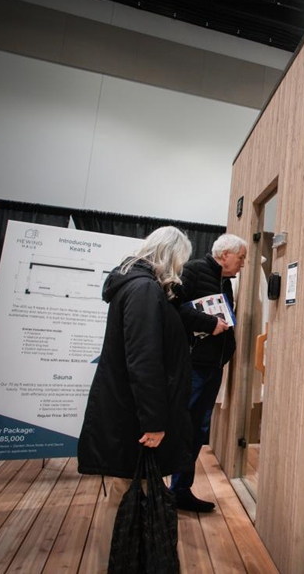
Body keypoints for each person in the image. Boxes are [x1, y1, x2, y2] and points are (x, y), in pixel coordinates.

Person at [77, 226, 194, 572]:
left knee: (126, 496)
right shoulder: (143, 291)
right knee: (125, 500)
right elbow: (143, 361)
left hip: (130, 415)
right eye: (180, 262)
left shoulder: (140, 287)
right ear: (170, 257)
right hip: (135, 420)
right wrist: (155, 422)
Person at [172, 232, 248, 512]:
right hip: (192, 367)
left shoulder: (225, 282)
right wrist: (207, 322)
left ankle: (180, 490)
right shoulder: (191, 271)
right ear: (225, 254)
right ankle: (157, 488)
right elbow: (172, 309)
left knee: (197, 430)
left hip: (212, 367)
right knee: (180, 427)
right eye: (241, 258)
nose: (242, 264)